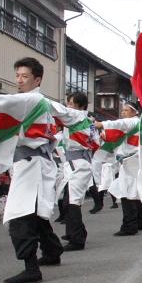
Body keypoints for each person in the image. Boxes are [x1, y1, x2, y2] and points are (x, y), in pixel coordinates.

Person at [0, 57, 86, 283]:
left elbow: (7, 103)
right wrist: (85, 119)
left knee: (18, 213)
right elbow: (71, 114)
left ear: (37, 79)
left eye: (24, 76)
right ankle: (52, 251)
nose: (19, 80)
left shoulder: (32, 98)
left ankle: (31, 267)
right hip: (34, 162)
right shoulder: (43, 102)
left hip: (32, 163)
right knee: (33, 211)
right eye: (17, 76)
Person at [95, 101, 142, 236]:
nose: (123, 112)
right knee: (134, 192)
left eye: (126, 110)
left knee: (126, 193)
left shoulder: (133, 122)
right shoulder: (137, 123)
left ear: (134, 112)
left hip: (131, 161)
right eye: (123, 110)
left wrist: (103, 124)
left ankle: (129, 226)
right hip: (134, 160)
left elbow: (120, 124)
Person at [57, 92, 97, 251]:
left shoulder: (77, 117)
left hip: (78, 162)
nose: (68, 107)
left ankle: (77, 239)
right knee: (69, 201)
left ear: (80, 106)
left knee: (73, 202)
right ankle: (76, 232)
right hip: (76, 162)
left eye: (71, 104)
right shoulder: (85, 120)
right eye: (68, 103)